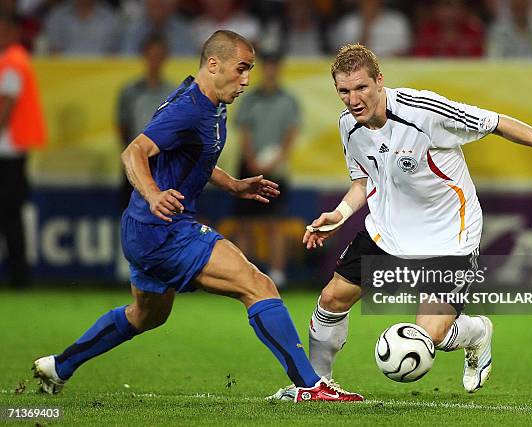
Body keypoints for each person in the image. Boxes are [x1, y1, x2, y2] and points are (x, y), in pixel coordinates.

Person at [32, 30, 362, 403]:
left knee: (146, 315)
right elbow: (133, 152)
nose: (247, 80)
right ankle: (310, 386)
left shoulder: (211, 104)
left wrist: (232, 184)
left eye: (250, 70)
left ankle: (59, 366)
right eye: (241, 69)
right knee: (258, 285)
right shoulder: (188, 107)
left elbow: (196, 156)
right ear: (213, 64)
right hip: (165, 229)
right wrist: (154, 194)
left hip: (144, 230)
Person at [268, 44, 532, 400]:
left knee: (432, 335)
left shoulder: (423, 112)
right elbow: (364, 181)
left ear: (380, 81)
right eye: (344, 91)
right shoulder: (348, 127)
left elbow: (497, 122)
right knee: (331, 300)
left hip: (449, 238)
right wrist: (338, 215)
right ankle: (315, 386)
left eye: (362, 87)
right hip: (388, 233)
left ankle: (475, 332)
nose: (353, 99)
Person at [233, 51, 300, 288]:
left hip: (276, 170)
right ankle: (242, 273)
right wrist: (251, 160)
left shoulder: (288, 100)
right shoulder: (250, 99)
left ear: (278, 68)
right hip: (248, 168)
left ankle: (277, 272)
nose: (271, 70)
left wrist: (276, 161)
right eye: (267, 66)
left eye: (274, 66)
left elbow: (291, 134)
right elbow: (244, 131)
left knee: (275, 223)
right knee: (245, 223)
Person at [0, 13, 46, 289]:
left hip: (8, 152)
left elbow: (5, 109)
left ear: (16, 32)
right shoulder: (11, 61)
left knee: (10, 216)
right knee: (10, 215)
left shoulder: (14, 62)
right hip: (10, 152)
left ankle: (19, 276)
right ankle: (18, 275)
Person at [117, 33, 175, 208]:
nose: (155, 60)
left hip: (164, 166)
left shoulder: (173, 93)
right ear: (144, 56)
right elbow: (122, 126)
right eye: (151, 55)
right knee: (131, 213)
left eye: (159, 56)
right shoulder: (130, 92)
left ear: (165, 58)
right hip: (136, 161)